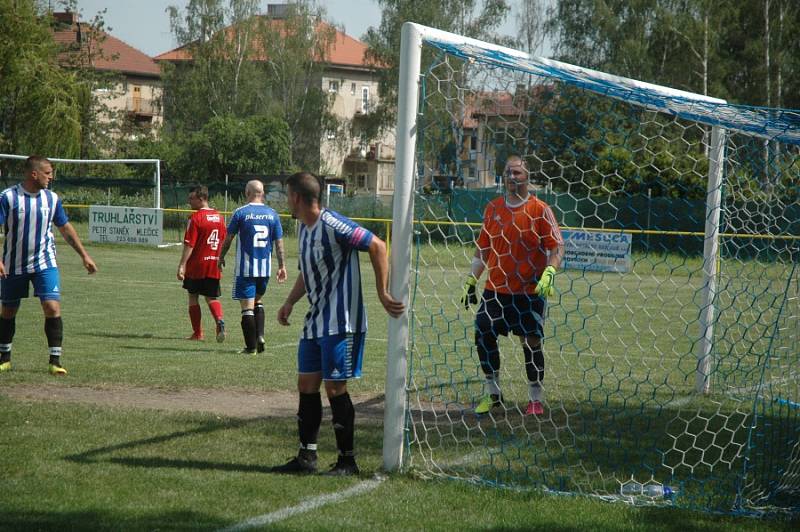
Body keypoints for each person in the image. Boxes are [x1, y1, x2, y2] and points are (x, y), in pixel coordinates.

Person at [273, 171, 404, 476]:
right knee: (306, 385)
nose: (285, 200)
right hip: (315, 321)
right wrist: (291, 301)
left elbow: (377, 246)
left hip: (341, 322)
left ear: (296, 197)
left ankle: (347, 461)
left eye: (286, 195)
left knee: (335, 388)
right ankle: (306, 457)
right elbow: (308, 271)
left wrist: (382, 292)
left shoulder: (333, 224)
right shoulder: (304, 230)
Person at [461, 155, 564, 416]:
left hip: (529, 292)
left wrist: (550, 271)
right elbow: (483, 249)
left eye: (517, 173)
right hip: (495, 290)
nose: (511, 177)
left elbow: (557, 245)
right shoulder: (493, 208)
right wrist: (472, 280)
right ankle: (493, 394)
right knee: (483, 332)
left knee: (530, 343)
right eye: (508, 172)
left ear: (527, 176)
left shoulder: (541, 209)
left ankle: (534, 399)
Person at [0, 155, 97, 375]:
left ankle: (55, 361)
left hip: (45, 262)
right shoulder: (8, 198)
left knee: (52, 306)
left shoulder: (52, 199)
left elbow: (65, 228)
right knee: (8, 310)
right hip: (14, 264)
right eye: (47, 173)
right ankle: (4, 357)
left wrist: (84, 255)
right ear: (34, 174)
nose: (51, 177)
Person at [219, 180, 286, 354]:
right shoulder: (273, 214)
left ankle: (250, 347)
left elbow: (229, 238)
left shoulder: (240, 212)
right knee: (258, 301)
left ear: (247, 192)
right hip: (265, 269)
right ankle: (260, 336)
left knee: (247, 307)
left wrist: (221, 256)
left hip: (246, 268)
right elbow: (279, 243)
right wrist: (282, 266)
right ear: (262, 193)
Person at [177, 185, 227, 342]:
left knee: (193, 296)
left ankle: (197, 333)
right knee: (211, 297)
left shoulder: (195, 218)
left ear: (201, 198)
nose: (189, 201)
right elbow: (224, 240)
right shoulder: (219, 217)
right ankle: (219, 320)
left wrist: (182, 264)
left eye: (191, 198)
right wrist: (221, 257)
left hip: (197, 265)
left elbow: (189, 244)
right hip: (214, 263)